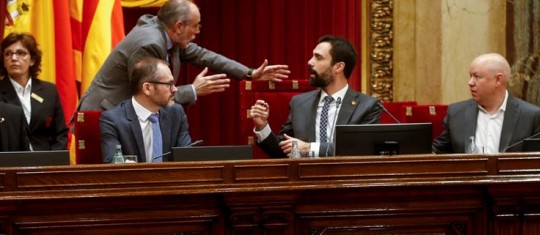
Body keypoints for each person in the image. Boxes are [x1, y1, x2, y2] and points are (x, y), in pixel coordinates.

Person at [79, 0, 290, 111]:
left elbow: (203, 56)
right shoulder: (150, 43)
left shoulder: (167, 34)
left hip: (119, 115)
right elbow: (147, 96)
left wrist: (249, 73)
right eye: (196, 26)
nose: (198, 31)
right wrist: (193, 90)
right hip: (103, 115)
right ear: (179, 26)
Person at [249, 35, 380, 158]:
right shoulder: (299, 103)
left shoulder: (366, 106)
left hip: (345, 179)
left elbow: (361, 150)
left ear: (338, 67)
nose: (310, 62)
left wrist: (310, 148)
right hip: (304, 179)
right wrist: (262, 126)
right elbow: (281, 152)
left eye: (318, 57)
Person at [432, 53, 540, 153]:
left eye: (477, 77)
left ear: (498, 80)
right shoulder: (457, 113)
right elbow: (436, 153)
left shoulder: (530, 116)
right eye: (470, 76)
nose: (470, 83)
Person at [100, 57, 191, 163]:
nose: (175, 89)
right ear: (147, 88)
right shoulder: (113, 120)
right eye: (168, 84)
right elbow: (113, 162)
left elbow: (186, 159)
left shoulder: (176, 114)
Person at [0, 33, 68, 150]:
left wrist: (53, 164)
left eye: (21, 53)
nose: (14, 58)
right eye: (8, 54)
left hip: (46, 163)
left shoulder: (49, 91)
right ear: (4, 62)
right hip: (10, 163)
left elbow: (60, 134)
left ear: (32, 60)